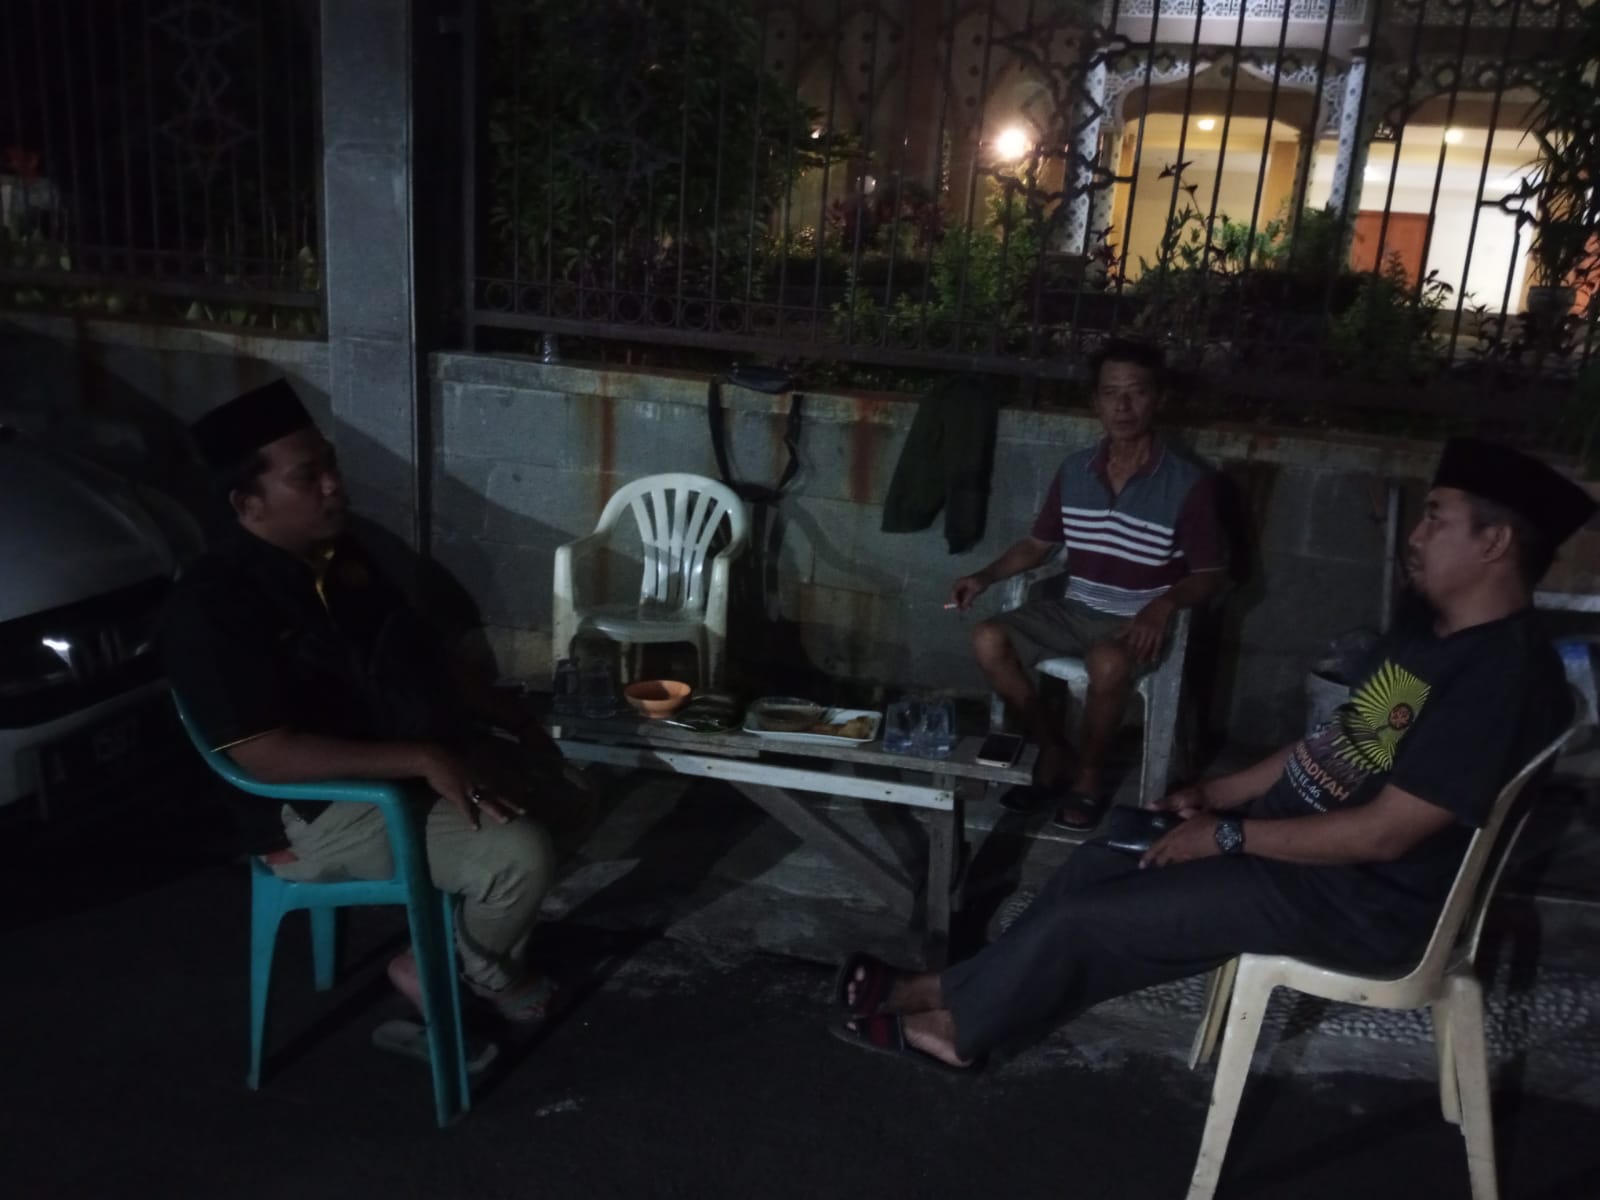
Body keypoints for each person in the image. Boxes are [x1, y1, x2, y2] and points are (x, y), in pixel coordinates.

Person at [836, 437, 1591, 1071]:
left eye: (1435, 518)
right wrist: (1218, 796)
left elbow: (1385, 834)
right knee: (1105, 854)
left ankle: (960, 1030)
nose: (1415, 536)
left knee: (1094, 918)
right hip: (1291, 856)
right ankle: (950, 989)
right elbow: (1335, 746)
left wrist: (1228, 836)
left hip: (1355, 902)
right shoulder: (1433, 636)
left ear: (1494, 542)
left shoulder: (1500, 679)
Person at [161, 379, 588, 1024]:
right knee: (518, 856)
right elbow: (263, 753)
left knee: (572, 792)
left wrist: (512, 718)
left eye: (329, 464)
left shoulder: (339, 555)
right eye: (307, 477)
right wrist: (422, 759)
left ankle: (437, 951)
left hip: (407, 762)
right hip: (316, 810)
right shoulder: (213, 603)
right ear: (248, 503)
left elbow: (420, 656)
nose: (333, 484)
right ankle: (484, 970)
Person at [950, 338, 1228, 831]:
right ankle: (1054, 749)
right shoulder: (1076, 470)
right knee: (987, 637)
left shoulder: (1188, 482)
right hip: (1075, 610)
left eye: (1136, 392)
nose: (1123, 406)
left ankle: (1088, 777)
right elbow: (1038, 546)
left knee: (1107, 660)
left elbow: (1209, 573)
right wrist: (983, 577)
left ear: (1159, 398)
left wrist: (1162, 607)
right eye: (1110, 393)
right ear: (1096, 401)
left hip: (1136, 621)